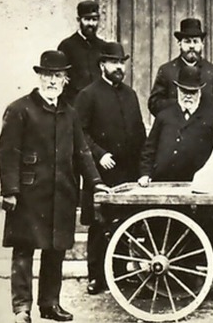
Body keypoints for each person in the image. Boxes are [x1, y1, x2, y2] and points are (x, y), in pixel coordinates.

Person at [0, 50, 109, 323]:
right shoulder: (20, 109)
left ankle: (50, 305)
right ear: (39, 77)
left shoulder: (69, 113)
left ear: (65, 81)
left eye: (58, 76)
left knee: (55, 251)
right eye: (47, 75)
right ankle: (22, 309)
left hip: (61, 193)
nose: (52, 81)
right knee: (24, 250)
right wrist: (10, 190)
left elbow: (82, 152)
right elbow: (7, 152)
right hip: (28, 195)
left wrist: (96, 183)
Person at [74, 42, 147, 295]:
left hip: (127, 173)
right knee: (99, 226)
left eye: (121, 62)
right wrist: (100, 154)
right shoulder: (88, 94)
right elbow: (79, 133)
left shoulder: (130, 94)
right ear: (102, 65)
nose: (119, 67)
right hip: (101, 172)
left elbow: (139, 132)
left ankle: (121, 274)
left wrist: (143, 170)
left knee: (125, 224)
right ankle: (96, 276)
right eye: (113, 62)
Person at [139, 66, 213, 184]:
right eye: (184, 91)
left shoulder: (210, 120)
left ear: (200, 92)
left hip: (193, 184)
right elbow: (149, 149)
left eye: (192, 92)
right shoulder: (164, 116)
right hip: (161, 182)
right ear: (177, 90)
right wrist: (145, 174)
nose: (188, 96)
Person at [148, 18, 213, 116]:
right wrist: (178, 106)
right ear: (179, 44)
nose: (192, 46)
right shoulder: (166, 71)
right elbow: (154, 104)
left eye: (195, 42)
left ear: (202, 44)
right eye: (187, 41)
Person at [57, 0, 107, 103]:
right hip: (74, 104)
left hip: (98, 104)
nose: (91, 24)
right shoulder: (66, 46)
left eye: (94, 19)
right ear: (78, 20)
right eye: (87, 19)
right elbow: (60, 79)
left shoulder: (103, 46)